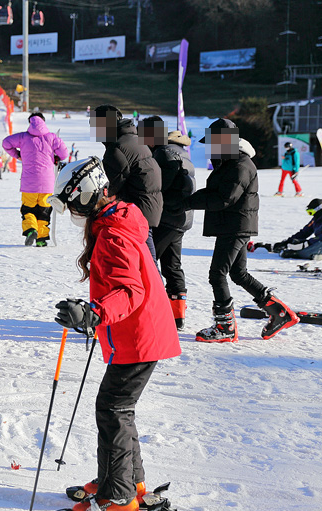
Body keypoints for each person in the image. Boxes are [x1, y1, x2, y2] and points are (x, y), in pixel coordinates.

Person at [49, 156, 181, 511]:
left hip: (139, 334)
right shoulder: (117, 219)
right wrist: (88, 308)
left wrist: (95, 313)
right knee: (118, 409)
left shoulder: (113, 233)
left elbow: (130, 290)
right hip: (139, 332)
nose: (75, 212)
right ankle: (123, 481)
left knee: (112, 409)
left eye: (75, 204)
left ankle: (118, 497)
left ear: (89, 194)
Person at [175, 118, 299, 342]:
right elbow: (217, 191)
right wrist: (188, 200)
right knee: (238, 273)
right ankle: (280, 313)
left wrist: (186, 203)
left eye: (213, 143)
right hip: (234, 224)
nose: (210, 148)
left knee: (217, 274)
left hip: (235, 225)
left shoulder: (240, 165)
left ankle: (225, 328)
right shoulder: (230, 162)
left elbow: (224, 198)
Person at [139, 117, 196, 330]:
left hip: (168, 217)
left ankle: (155, 311)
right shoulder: (181, 151)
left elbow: (158, 186)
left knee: (148, 264)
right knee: (172, 265)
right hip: (182, 218)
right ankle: (177, 315)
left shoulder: (162, 153)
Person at [91, 104, 163, 260]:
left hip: (138, 211)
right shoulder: (132, 139)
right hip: (147, 207)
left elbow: (109, 186)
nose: (93, 129)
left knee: (145, 264)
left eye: (94, 124)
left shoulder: (118, 148)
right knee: (145, 263)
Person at [2, 112, 69, 246]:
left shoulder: (23, 137)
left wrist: (18, 154)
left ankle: (31, 229)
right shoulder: (51, 138)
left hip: (29, 183)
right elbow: (64, 154)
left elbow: (6, 143)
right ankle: (41, 239)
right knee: (44, 211)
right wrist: (56, 157)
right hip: (47, 183)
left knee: (28, 209)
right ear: (44, 122)